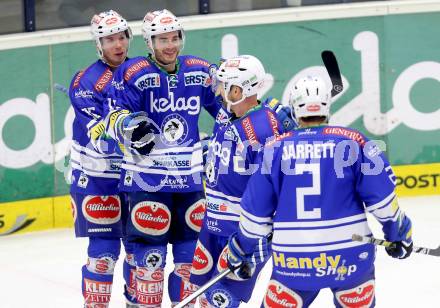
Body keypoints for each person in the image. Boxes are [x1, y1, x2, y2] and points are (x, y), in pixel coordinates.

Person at [226, 75, 414, 307]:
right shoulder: (354, 141)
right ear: (327, 106)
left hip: (294, 262)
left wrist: (242, 248)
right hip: (350, 259)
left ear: (295, 107)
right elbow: (383, 203)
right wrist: (398, 233)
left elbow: (254, 215)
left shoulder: (273, 149)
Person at [105, 9, 222, 307]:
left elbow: (228, 109)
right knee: (150, 264)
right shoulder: (132, 72)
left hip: (189, 183)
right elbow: (113, 115)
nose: (170, 45)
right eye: (162, 40)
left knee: (188, 263)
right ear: (149, 41)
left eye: (175, 38)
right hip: (147, 183)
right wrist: (127, 126)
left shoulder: (198, 70)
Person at [188, 54, 287, 307]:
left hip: (242, 232)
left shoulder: (264, 128)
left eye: (223, 86)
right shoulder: (228, 112)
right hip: (213, 223)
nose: (218, 92)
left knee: (220, 299)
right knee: (198, 295)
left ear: (238, 90)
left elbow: (276, 185)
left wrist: (257, 238)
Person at [68, 10, 138, 307]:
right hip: (97, 178)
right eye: (110, 39)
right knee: (104, 255)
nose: (118, 44)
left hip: (136, 175)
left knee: (141, 253)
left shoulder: (140, 71)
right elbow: (99, 135)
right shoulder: (86, 81)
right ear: (98, 44)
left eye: (121, 37)